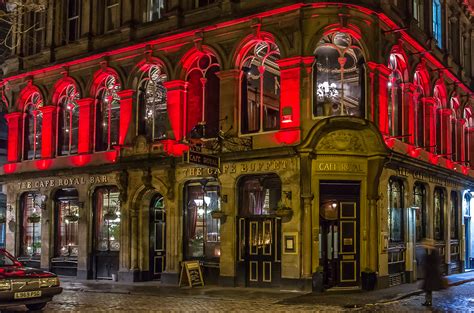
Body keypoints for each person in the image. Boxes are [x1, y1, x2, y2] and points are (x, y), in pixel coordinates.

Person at [420, 238, 443, 306]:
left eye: (425, 244)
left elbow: (434, 262)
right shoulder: (431, 251)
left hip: (432, 274)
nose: (423, 246)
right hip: (430, 273)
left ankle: (428, 301)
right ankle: (428, 301)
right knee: (428, 288)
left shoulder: (434, 251)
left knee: (428, 288)